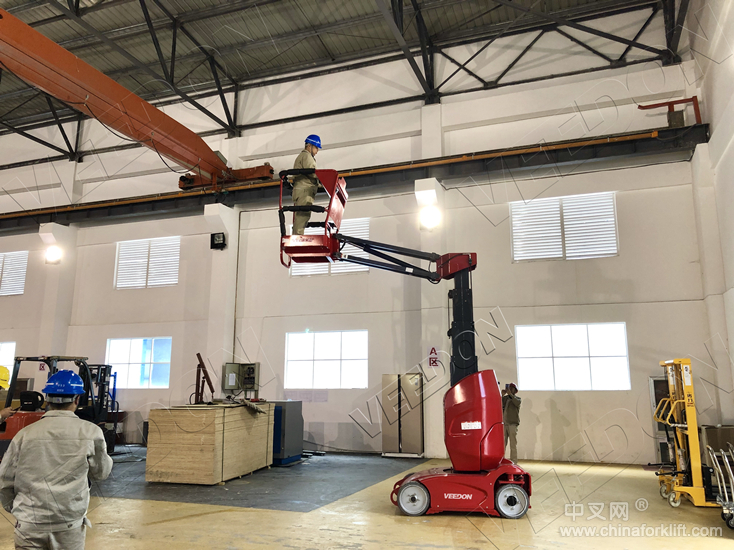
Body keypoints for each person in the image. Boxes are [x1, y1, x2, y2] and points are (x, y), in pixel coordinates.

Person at [0, 370, 113, 550]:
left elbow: (5, 479)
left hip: (29, 524)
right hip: (68, 525)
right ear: (77, 399)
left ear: (47, 399)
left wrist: (16, 509)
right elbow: (101, 473)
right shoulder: (91, 432)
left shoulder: (24, 434)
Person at [292, 134, 322, 235]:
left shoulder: (305, 156)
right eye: (316, 147)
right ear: (309, 146)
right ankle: (297, 239)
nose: (317, 151)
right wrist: (323, 179)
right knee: (302, 217)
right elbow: (312, 173)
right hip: (304, 191)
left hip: (303, 190)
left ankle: (297, 237)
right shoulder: (306, 156)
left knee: (302, 217)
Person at [502, 383, 521, 463]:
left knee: (513, 444)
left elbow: (517, 403)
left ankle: (514, 461)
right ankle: (501, 460)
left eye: (512, 388)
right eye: (509, 388)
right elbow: (498, 404)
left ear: (515, 390)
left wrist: (510, 395)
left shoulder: (517, 399)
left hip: (513, 424)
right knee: (502, 444)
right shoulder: (505, 399)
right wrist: (502, 395)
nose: (510, 389)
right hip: (504, 424)